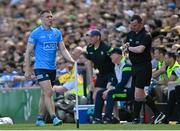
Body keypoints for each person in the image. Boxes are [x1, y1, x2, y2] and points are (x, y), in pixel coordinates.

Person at [24, 10, 74, 126]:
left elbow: (63, 49)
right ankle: (54, 117)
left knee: (45, 94)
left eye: (51, 17)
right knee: (49, 92)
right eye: (47, 17)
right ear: (41, 19)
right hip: (40, 67)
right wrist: (27, 69)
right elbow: (27, 52)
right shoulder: (35, 33)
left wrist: (71, 60)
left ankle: (40, 118)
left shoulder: (56, 33)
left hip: (52, 68)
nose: (50, 19)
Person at [123, 15, 165, 124]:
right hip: (135, 66)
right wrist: (125, 48)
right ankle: (156, 114)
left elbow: (140, 49)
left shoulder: (146, 35)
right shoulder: (130, 34)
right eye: (131, 25)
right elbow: (127, 45)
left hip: (144, 67)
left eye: (135, 25)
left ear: (141, 24)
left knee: (138, 93)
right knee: (139, 94)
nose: (133, 27)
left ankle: (138, 118)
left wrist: (129, 48)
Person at [92, 47, 134, 124]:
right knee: (100, 93)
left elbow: (123, 83)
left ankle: (108, 117)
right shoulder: (116, 66)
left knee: (111, 93)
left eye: (112, 55)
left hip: (128, 91)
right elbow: (114, 81)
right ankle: (97, 118)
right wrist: (109, 87)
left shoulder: (126, 65)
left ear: (119, 55)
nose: (110, 56)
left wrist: (109, 90)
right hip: (120, 90)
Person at [84, 29, 117, 101]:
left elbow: (116, 61)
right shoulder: (89, 48)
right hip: (101, 74)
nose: (90, 38)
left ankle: (115, 112)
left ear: (98, 37)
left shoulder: (106, 48)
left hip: (111, 73)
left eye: (92, 36)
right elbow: (89, 64)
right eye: (89, 36)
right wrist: (91, 81)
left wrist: (116, 76)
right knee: (95, 97)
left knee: (109, 95)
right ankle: (99, 112)